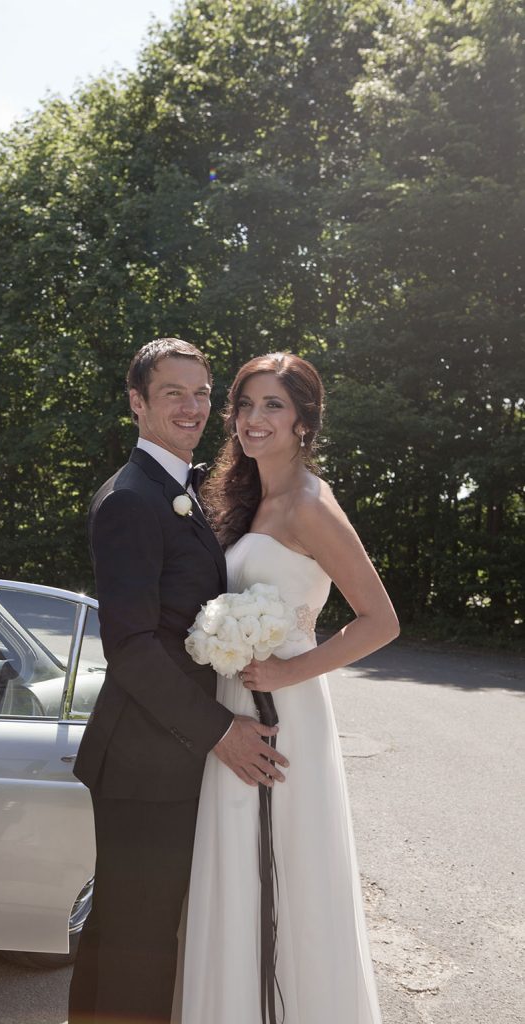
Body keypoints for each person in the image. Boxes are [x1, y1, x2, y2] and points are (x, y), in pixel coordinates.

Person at [67, 338, 288, 1024]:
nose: (192, 407)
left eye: (201, 393)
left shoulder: (183, 489)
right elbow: (131, 647)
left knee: (126, 931)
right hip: (144, 760)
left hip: (166, 756)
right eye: (173, 393)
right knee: (139, 942)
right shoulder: (131, 499)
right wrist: (220, 731)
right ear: (137, 402)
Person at [180, 352, 400, 1024]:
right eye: (244, 404)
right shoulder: (247, 497)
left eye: (272, 405)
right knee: (233, 865)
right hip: (234, 707)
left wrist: (287, 672)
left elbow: (381, 621)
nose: (253, 418)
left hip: (284, 709)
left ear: (304, 420)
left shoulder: (309, 505)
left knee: (285, 869)